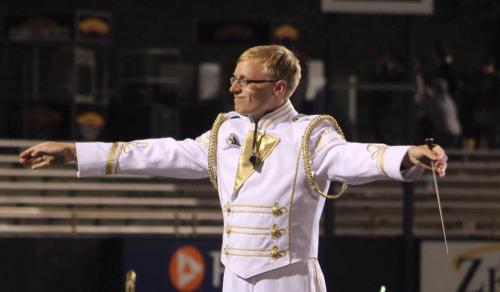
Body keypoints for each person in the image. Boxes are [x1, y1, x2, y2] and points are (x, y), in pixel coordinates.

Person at [19, 45, 447, 292]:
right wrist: (75, 151)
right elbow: (156, 153)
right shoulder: (227, 130)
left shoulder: (310, 134)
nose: (234, 87)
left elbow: (355, 156)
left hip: (288, 280)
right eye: (235, 78)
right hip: (236, 279)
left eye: (246, 81)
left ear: (279, 88)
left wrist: (407, 154)